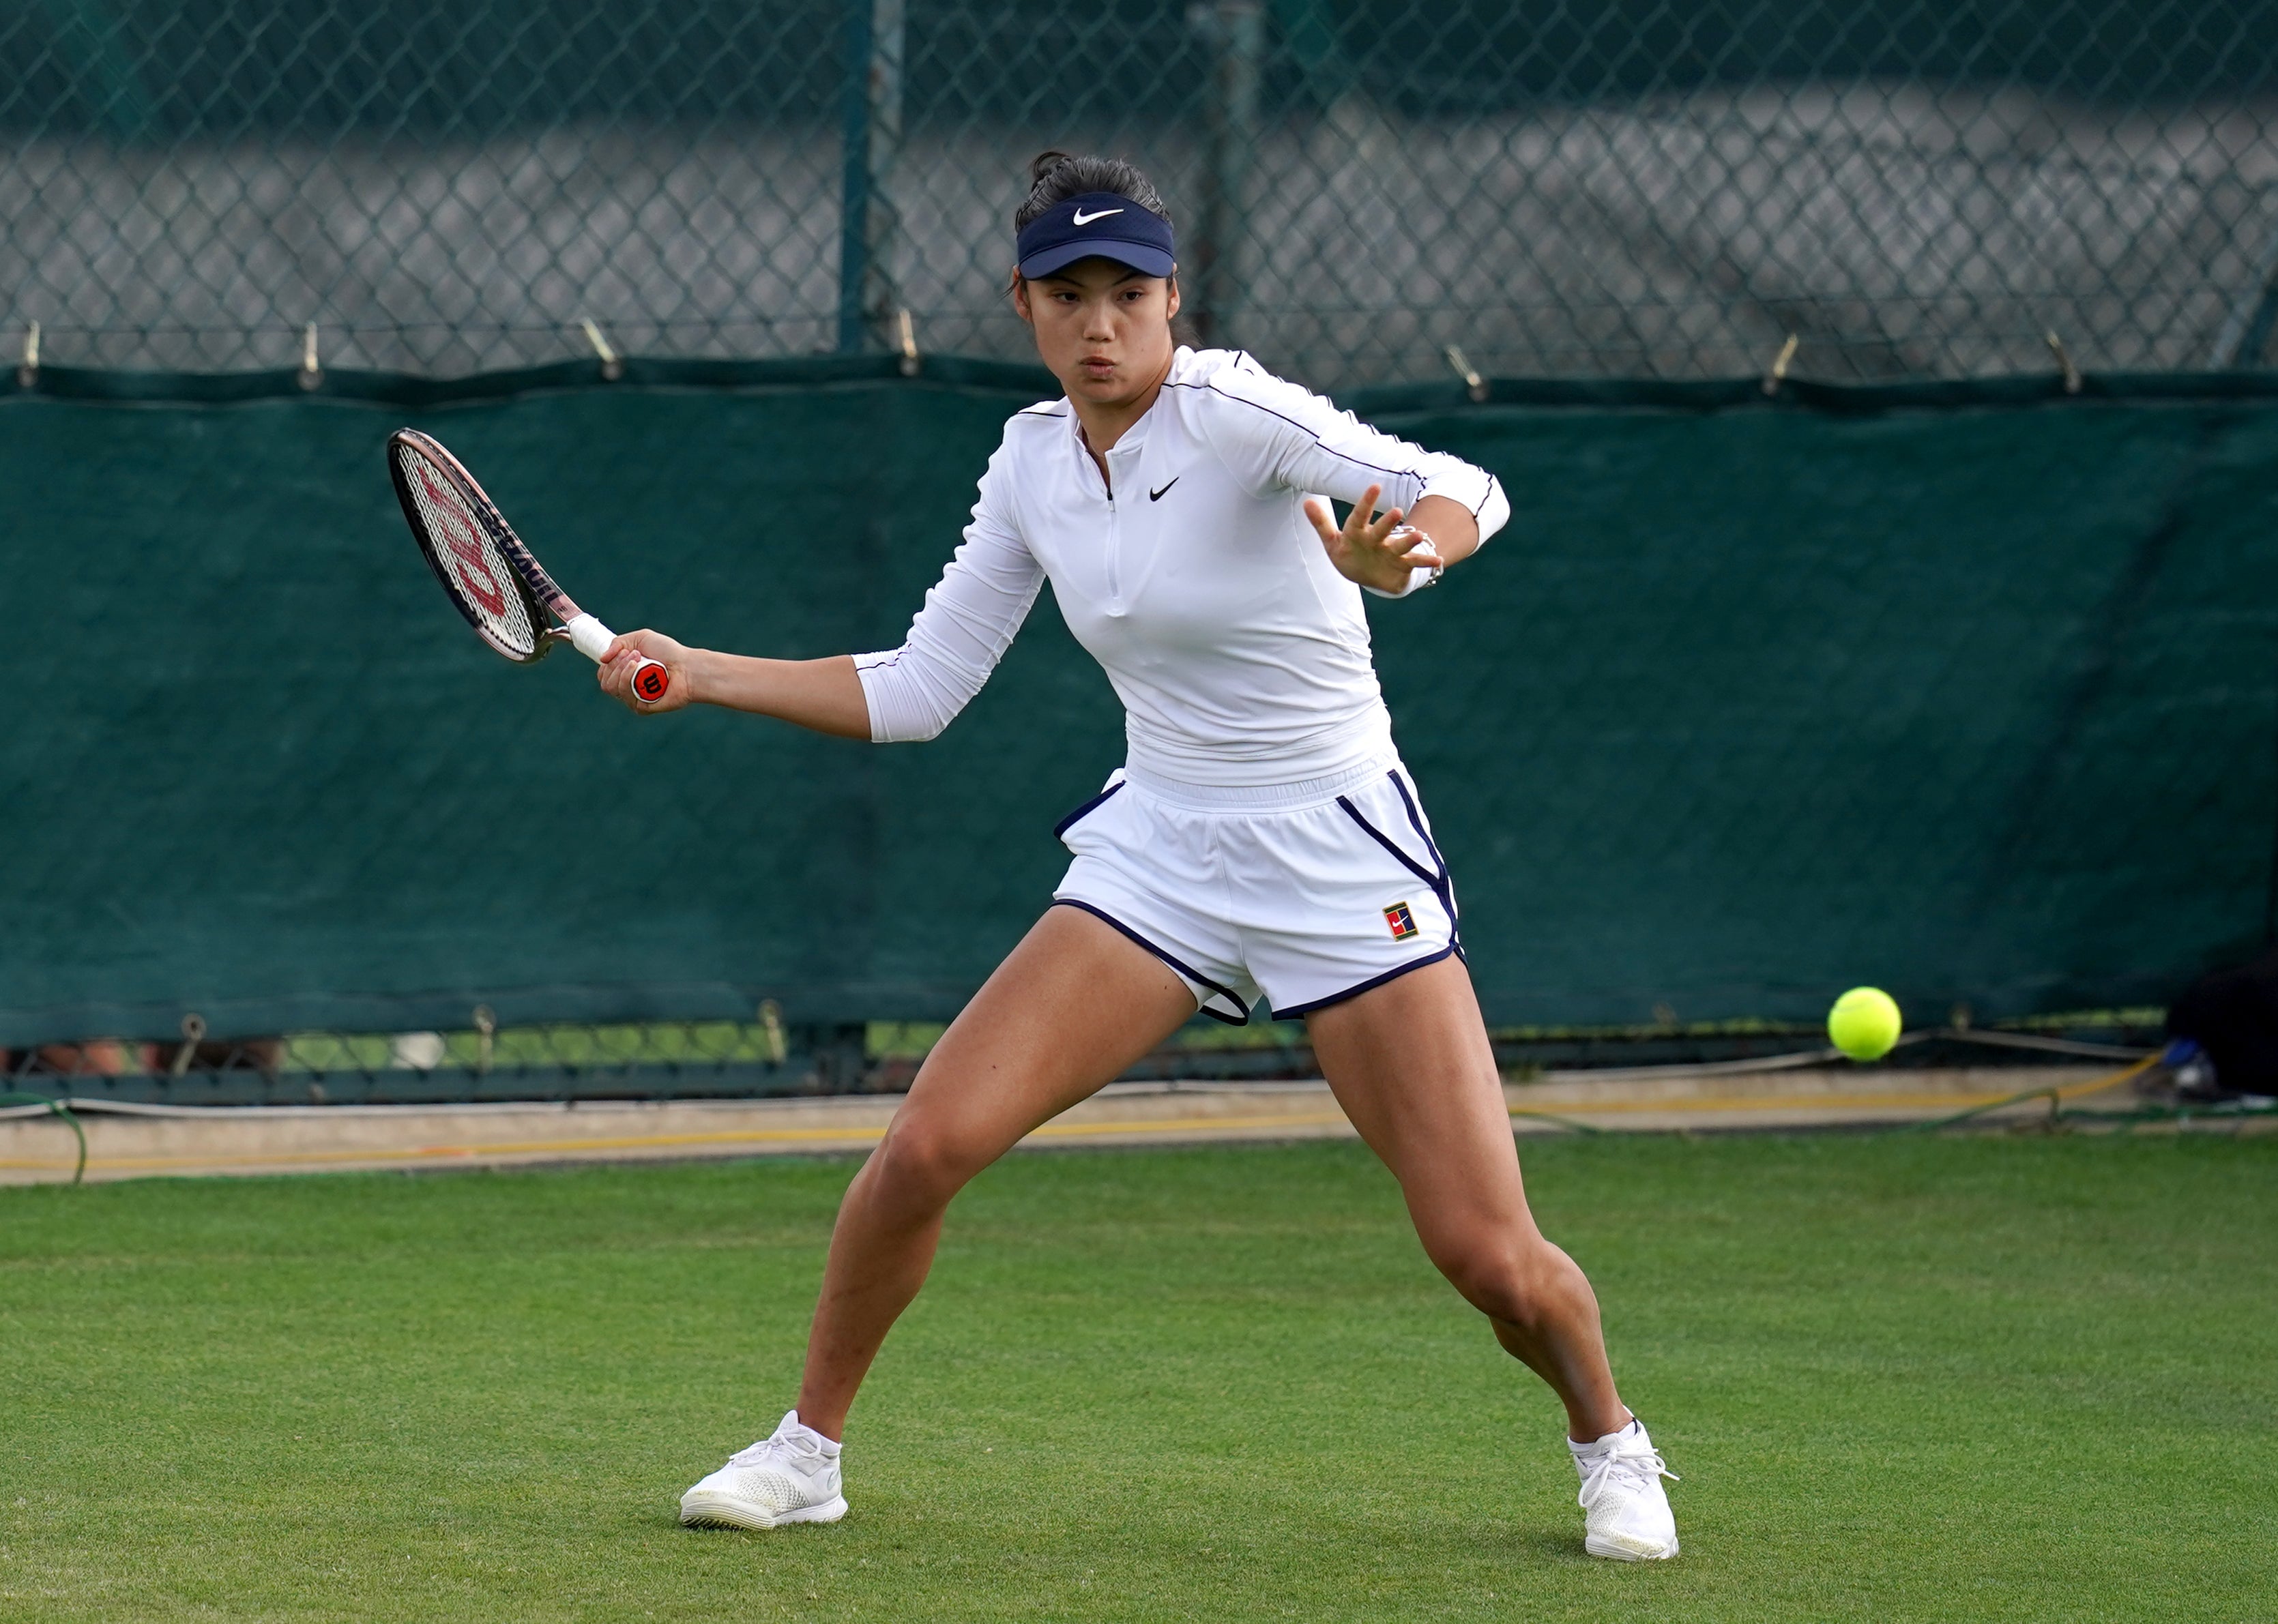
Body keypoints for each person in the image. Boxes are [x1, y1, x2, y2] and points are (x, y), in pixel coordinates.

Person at [598, 151, 1680, 1562]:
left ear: (1174, 301)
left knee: (1484, 1255)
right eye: (1067, 295)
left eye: (1127, 294)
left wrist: (1399, 557)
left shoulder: (1232, 413)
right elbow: (923, 687)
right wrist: (700, 673)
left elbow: (1455, 484)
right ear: (1024, 305)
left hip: (1332, 854)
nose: (1099, 324)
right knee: (925, 1145)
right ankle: (806, 1454)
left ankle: (1608, 1442)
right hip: (1158, 850)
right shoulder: (1028, 460)